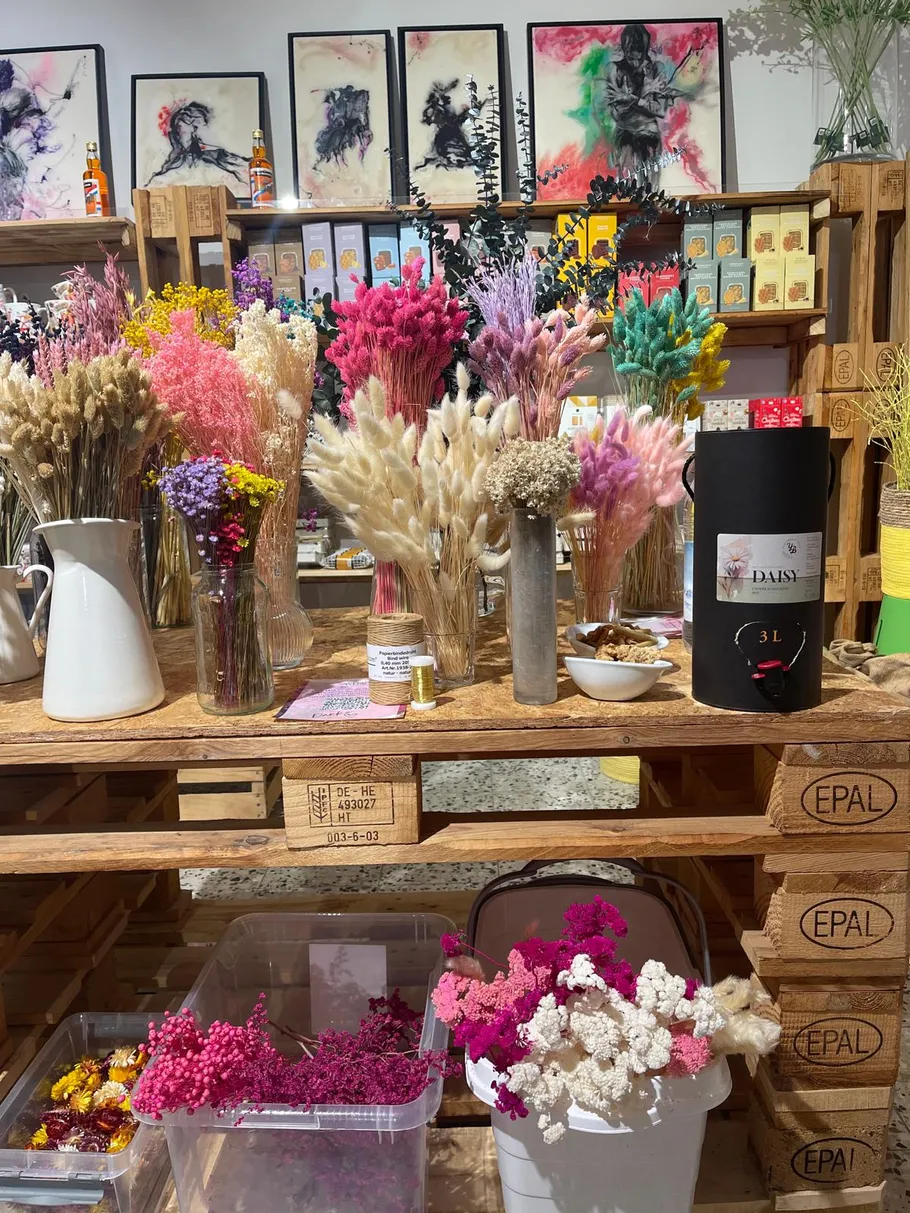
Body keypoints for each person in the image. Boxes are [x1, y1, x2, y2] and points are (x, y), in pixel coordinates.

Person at [603, 24, 681, 177]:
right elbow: (617, 114)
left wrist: (630, 99)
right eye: (630, 58)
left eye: (640, 58)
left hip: (650, 136)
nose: (635, 63)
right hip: (624, 137)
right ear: (624, 51)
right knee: (625, 187)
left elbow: (660, 111)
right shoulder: (614, 69)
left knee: (650, 188)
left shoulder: (656, 68)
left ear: (645, 52)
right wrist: (645, 94)